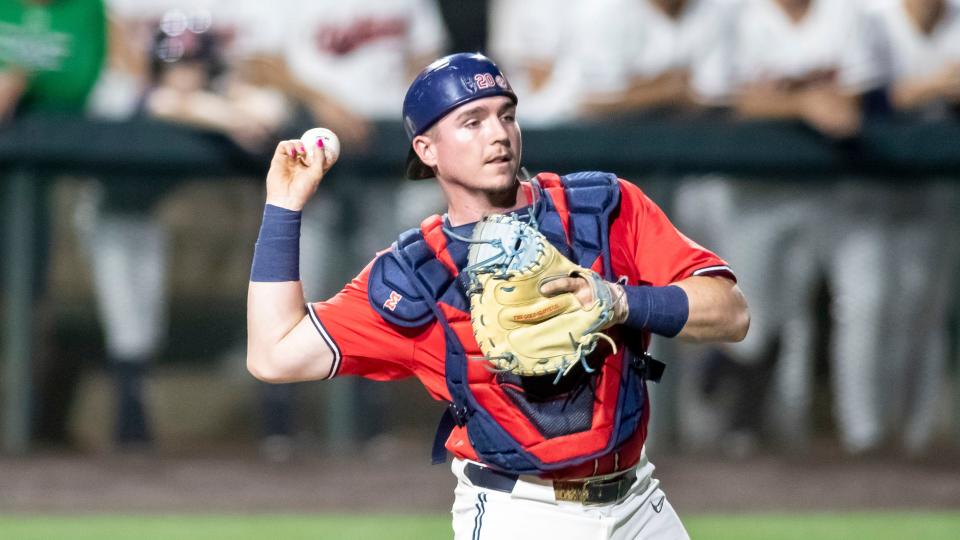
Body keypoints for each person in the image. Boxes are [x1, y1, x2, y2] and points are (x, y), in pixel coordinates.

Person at [246, 53, 749, 539]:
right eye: (472, 122)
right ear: (427, 150)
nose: (498, 134)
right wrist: (283, 206)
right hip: (520, 515)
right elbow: (275, 353)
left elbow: (731, 312)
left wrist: (622, 302)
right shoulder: (417, 273)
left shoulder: (603, 209)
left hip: (641, 505)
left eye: (506, 115)